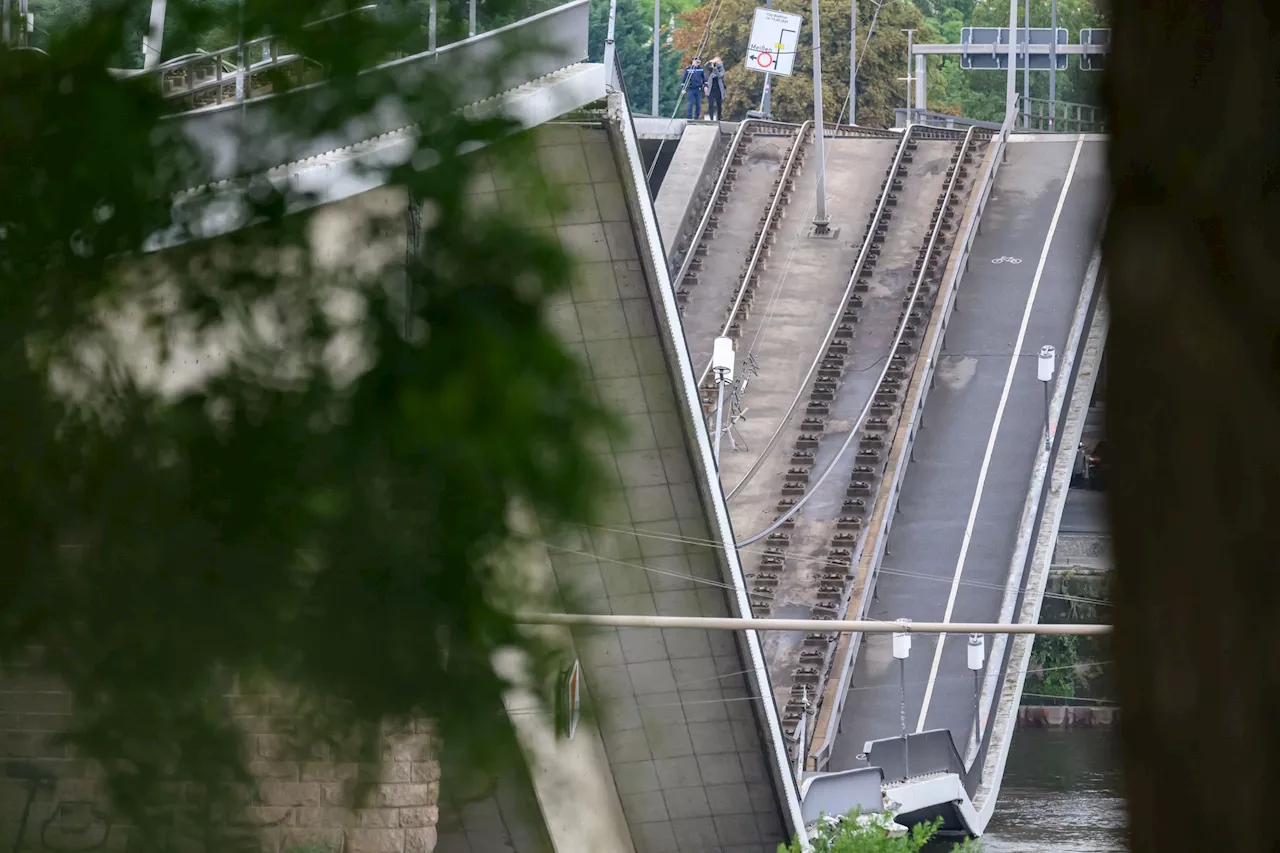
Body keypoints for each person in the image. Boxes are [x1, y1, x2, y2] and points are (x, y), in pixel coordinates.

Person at [706, 57, 727, 121]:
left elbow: (719, 76)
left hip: (719, 89)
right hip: (711, 89)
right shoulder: (711, 68)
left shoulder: (721, 69)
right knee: (710, 104)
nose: (716, 63)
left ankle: (719, 118)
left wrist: (715, 69)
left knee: (719, 105)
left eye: (717, 61)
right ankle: (711, 118)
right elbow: (706, 66)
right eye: (715, 61)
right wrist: (710, 61)